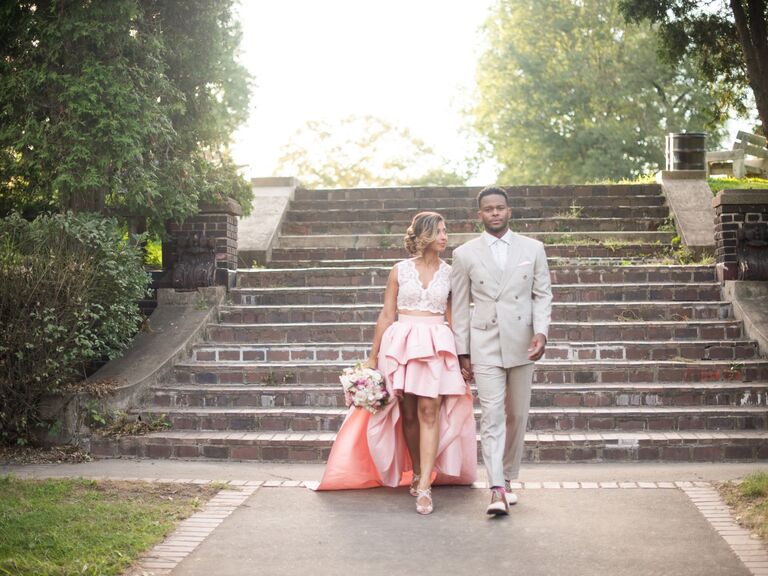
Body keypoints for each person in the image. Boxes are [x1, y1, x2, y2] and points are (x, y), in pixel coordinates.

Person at [316, 211, 477, 514]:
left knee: (430, 411)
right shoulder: (399, 270)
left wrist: (462, 355)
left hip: (437, 345)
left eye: (446, 231)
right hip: (401, 344)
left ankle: (426, 487)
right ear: (425, 235)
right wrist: (373, 356)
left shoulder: (450, 272)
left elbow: (455, 317)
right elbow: (387, 315)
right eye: (440, 231)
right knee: (409, 415)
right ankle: (417, 470)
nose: (446, 236)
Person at [451, 186, 553, 516]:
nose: (494, 213)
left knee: (517, 415)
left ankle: (508, 478)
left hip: (523, 342)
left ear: (509, 211)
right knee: (492, 415)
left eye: (500, 208)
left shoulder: (533, 248)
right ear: (479, 214)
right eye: (488, 209)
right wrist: (462, 351)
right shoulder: (464, 254)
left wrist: (541, 332)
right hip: (484, 345)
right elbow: (461, 307)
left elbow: (542, 295)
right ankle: (495, 488)